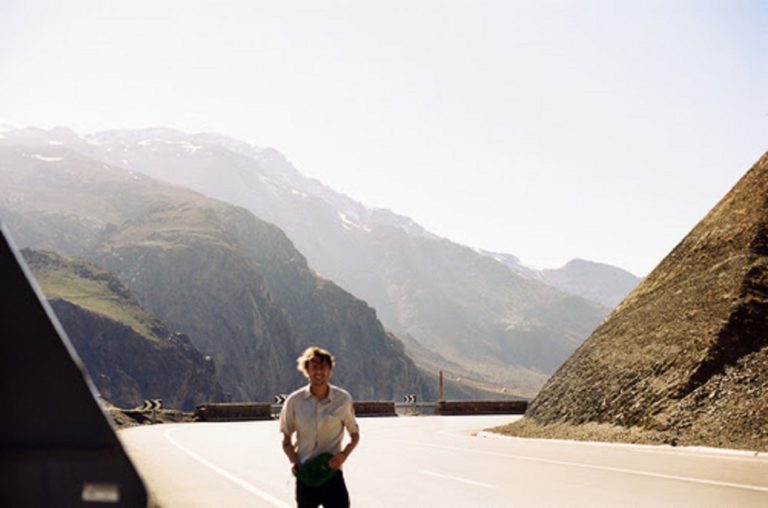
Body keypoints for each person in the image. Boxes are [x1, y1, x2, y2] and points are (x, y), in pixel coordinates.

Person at [280, 347, 360, 508]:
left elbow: (355, 434)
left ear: (330, 369)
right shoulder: (294, 401)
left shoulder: (342, 399)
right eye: (314, 367)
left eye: (323, 367)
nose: (318, 372)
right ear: (306, 370)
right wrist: (294, 461)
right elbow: (286, 440)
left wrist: (344, 455)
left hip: (332, 474)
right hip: (306, 476)